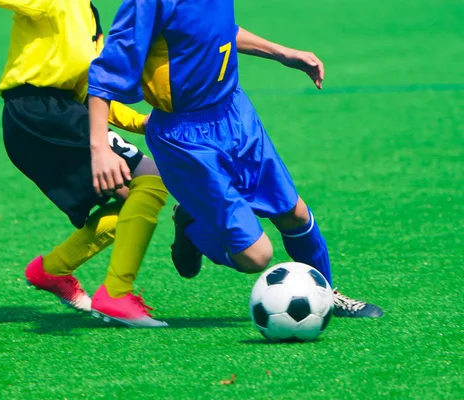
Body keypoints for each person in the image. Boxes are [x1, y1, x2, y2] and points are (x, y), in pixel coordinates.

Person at [88, 0, 383, 318]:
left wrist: (283, 53)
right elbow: (105, 72)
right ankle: (192, 229)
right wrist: (100, 149)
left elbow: (221, 33)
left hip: (235, 115)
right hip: (186, 138)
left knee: (294, 214)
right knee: (256, 257)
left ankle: (326, 295)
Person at [0, 0, 169, 327]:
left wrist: (141, 122)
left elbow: (91, 95)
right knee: (151, 179)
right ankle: (115, 296)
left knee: (135, 198)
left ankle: (52, 269)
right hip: (39, 114)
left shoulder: (91, 19)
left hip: (62, 115)